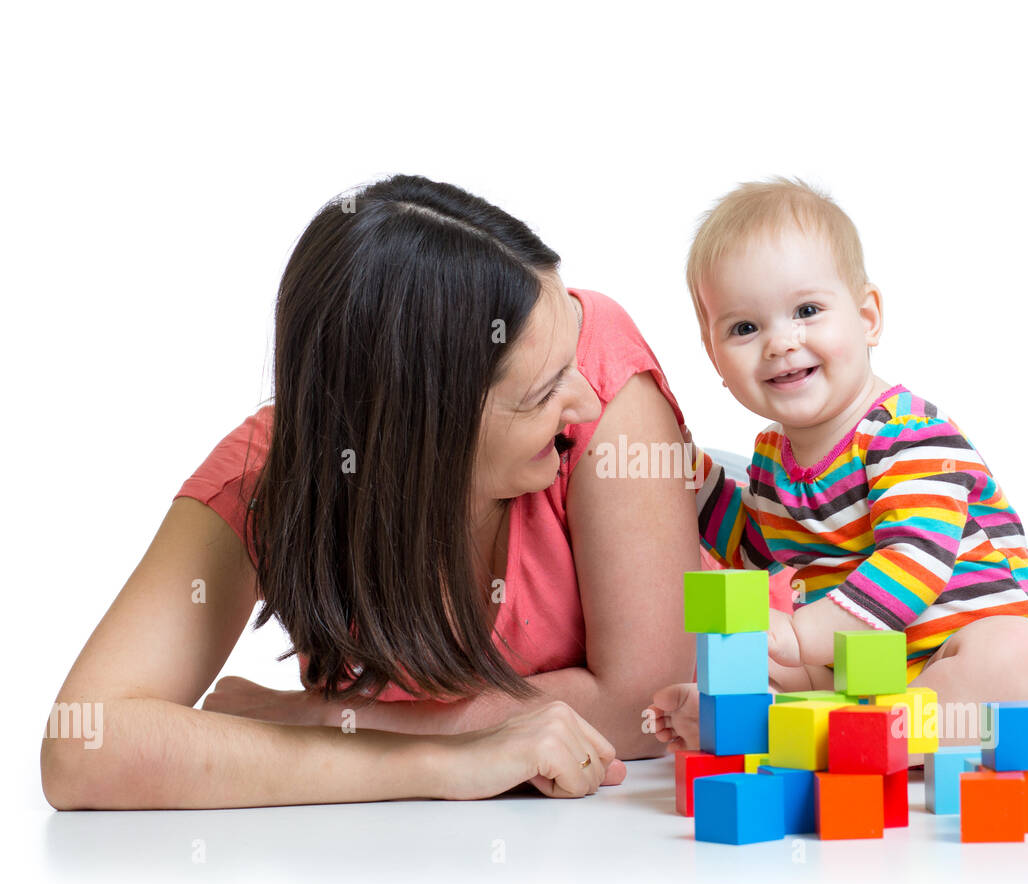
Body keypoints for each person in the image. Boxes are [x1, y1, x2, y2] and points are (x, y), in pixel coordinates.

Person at [41, 174, 760, 808]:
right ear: (426, 431)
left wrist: (318, 719)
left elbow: (644, 701)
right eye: (540, 394)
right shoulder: (268, 479)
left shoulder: (603, 380)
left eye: (569, 356)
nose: (582, 399)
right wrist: (441, 763)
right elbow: (84, 747)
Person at [644, 177, 1028, 763]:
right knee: (741, 650)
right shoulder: (771, 457)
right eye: (745, 328)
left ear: (867, 316)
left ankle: (855, 742)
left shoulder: (906, 431)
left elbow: (915, 557)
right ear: (714, 356)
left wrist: (798, 634)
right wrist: (679, 470)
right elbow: (754, 549)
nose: (780, 342)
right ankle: (773, 724)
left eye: (807, 310)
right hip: (855, 675)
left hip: (957, 660)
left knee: (1024, 658)